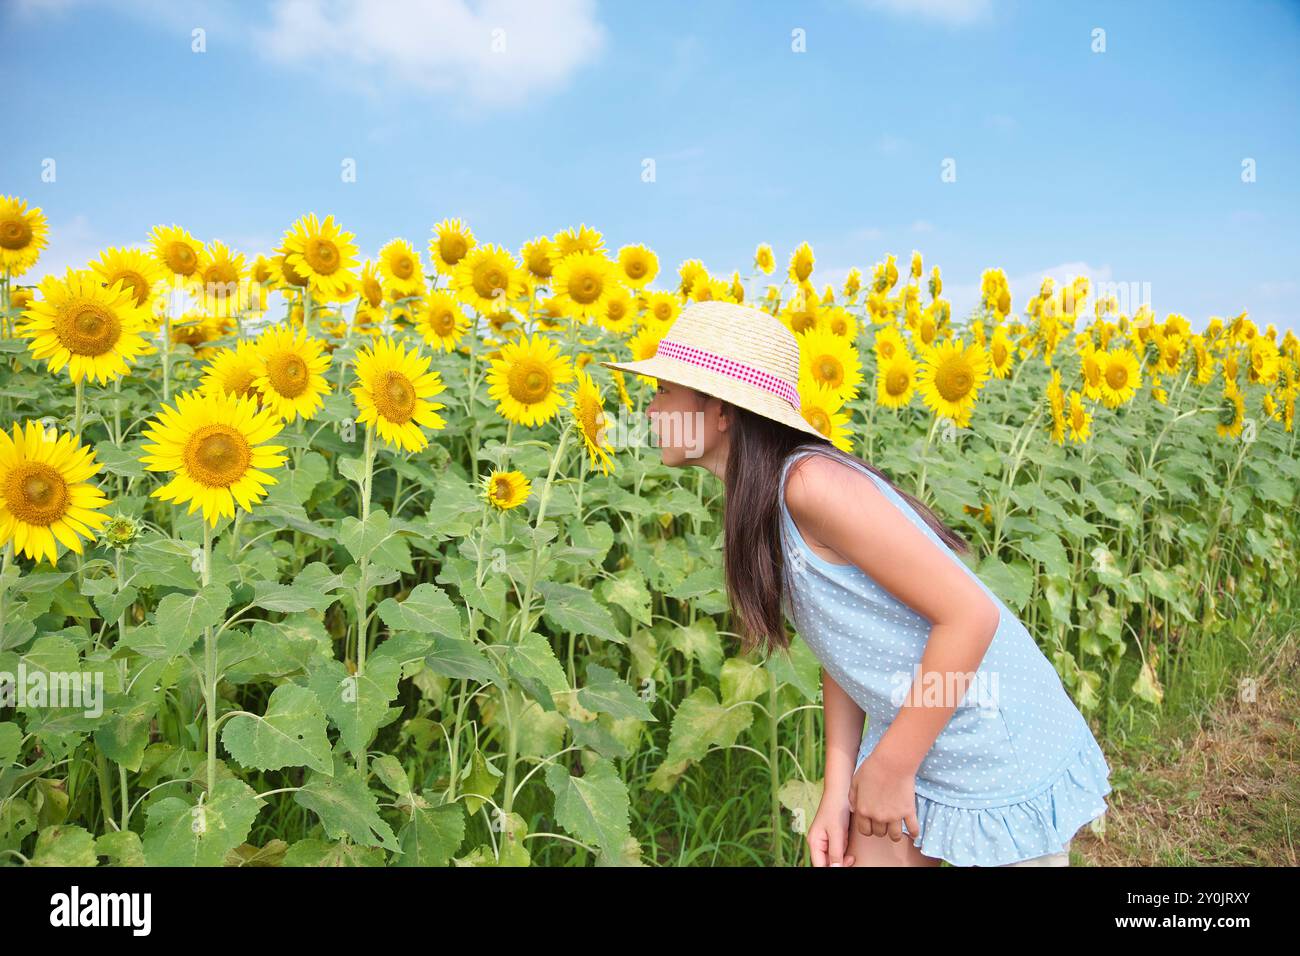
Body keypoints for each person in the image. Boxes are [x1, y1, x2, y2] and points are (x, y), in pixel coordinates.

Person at [599, 300, 1112, 867]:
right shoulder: (762, 503)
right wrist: (837, 788)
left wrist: (892, 768)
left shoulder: (809, 485)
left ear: (719, 410)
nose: (648, 410)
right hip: (913, 725)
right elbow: (841, 645)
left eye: (664, 392)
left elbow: (972, 616)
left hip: (987, 736)